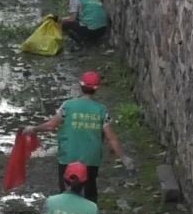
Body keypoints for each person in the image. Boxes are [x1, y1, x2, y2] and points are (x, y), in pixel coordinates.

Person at [22, 71, 133, 201]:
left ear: (81, 86)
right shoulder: (101, 110)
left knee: (66, 193)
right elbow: (111, 138)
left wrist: (33, 129)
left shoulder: (68, 106)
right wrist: (124, 158)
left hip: (68, 157)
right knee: (90, 193)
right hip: (91, 159)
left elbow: (51, 125)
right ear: (97, 89)